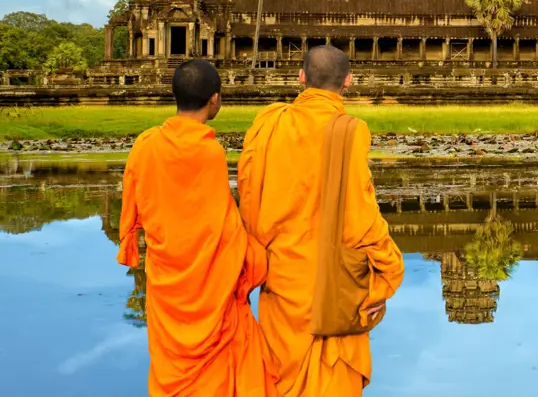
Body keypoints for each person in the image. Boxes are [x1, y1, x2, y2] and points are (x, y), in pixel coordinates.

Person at [238, 45, 404, 396]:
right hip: (335, 288)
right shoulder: (349, 131)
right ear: (349, 81)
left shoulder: (269, 124)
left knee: (281, 380)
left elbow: (248, 199)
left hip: (282, 278)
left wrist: (254, 259)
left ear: (301, 78)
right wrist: (388, 273)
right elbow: (361, 217)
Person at [116, 58, 274, 396]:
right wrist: (259, 256)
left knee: (172, 373)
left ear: (175, 95)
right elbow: (224, 228)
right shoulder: (208, 153)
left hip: (167, 281)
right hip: (209, 288)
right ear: (214, 99)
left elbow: (136, 210)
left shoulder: (146, 146)